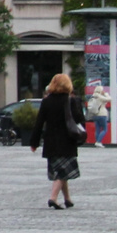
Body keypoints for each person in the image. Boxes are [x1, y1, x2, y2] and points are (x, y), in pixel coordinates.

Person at [30, 73, 86, 210]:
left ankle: (67, 199)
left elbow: (39, 123)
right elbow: (79, 119)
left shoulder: (46, 101)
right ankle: (53, 198)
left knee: (61, 170)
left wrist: (34, 142)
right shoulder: (70, 101)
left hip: (51, 141)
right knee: (62, 172)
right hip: (67, 140)